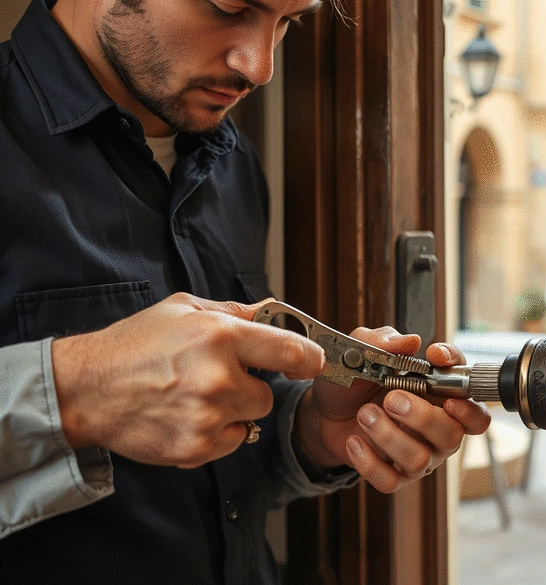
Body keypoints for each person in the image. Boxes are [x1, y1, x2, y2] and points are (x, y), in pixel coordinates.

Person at [0, 0, 491, 583]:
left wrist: (312, 428)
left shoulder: (233, 163)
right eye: (227, 7)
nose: (260, 66)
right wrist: (80, 390)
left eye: (288, 21)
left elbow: (216, 467)